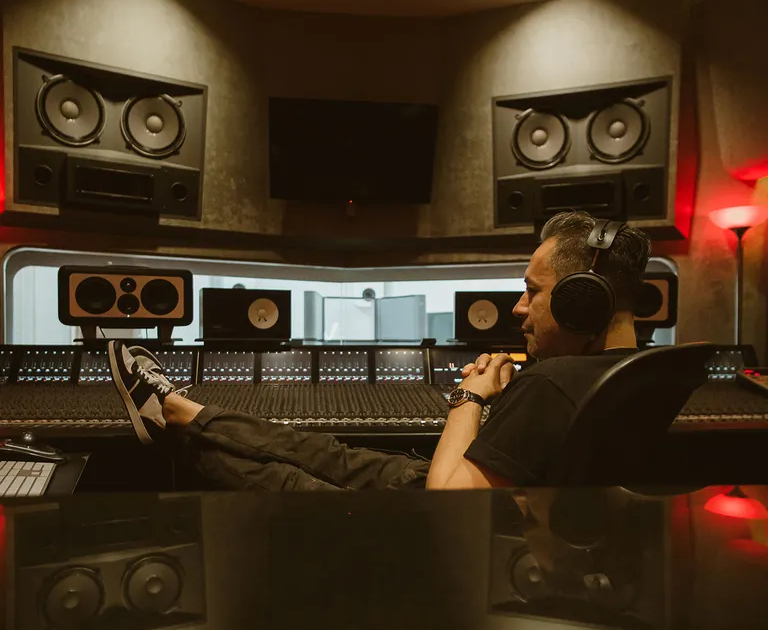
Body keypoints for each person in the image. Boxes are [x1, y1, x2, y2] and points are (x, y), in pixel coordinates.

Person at [107, 211, 651, 492]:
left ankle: (172, 424)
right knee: (323, 451)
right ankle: (181, 410)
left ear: (582, 301)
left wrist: (470, 395)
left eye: (532, 291)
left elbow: (450, 501)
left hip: (441, 529)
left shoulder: (552, 383)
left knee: (287, 480)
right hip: (502, 506)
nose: (517, 307)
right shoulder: (638, 371)